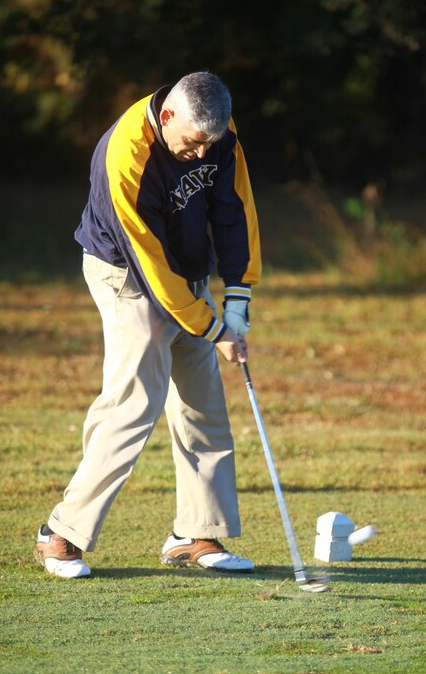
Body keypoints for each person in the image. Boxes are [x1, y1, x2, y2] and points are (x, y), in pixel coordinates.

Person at [34, 72, 262, 578]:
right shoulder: (125, 154)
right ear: (167, 118)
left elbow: (235, 212)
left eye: (212, 143)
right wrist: (213, 328)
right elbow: (149, 263)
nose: (203, 155)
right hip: (127, 274)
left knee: (202, 402)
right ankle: (62, 532)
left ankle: (194, 534)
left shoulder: (219, 135)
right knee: (136, 400)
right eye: (194, 143)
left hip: (186, 270)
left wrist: (238, 303)